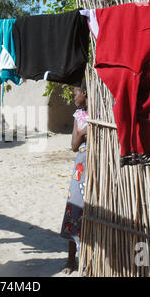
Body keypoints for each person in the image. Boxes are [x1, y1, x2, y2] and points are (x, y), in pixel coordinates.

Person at [60, 80, 88, 274]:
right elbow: (74, 144)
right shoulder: (80, 115)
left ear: (84, 93)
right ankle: (71, 260)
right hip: (81, 165)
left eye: (75, 93)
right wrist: (86, 130)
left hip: (98, 165)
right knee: (74, 207)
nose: (73, 97)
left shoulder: (100, 112)